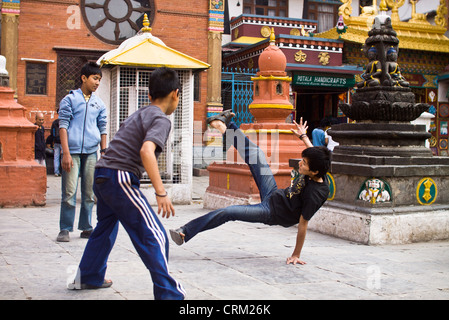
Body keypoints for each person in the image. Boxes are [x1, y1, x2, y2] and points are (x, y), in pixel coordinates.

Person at [68, 67, 185, 300]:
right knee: (156, 236)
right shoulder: (162, 119)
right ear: (176, 94)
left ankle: (89, 276)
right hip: (119, 176)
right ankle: (170, 295)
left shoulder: (139, 113)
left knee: (105, 227)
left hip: (102, 173)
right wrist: (161, 193)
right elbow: (146, 151)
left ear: (150, 96)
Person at [170, 113, 330, 266]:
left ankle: (185, 231)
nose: (300, 164)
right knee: (257, 154)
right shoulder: (318, 167)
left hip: (272, 212)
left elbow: (303, 224)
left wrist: (296, 254)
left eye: (304, 163)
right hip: (275, 194)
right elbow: (315, 153)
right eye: (302, 160)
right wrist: (303, 136)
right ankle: (224, 125)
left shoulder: (315, 194)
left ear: (314, 171)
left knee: (229, 212)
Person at [56, 62, 107, 242]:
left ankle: (86, 227)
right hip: (73, 152)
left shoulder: (98, 103)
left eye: (99, 79)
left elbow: (102, 128)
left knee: (89, 193)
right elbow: (63, 126)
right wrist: (66, 153)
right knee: (69, 192)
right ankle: (65, 228)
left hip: (92, 153)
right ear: (84, 78)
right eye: (94, 78)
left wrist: (104, 151)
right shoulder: (69, 100)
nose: (97, 82)